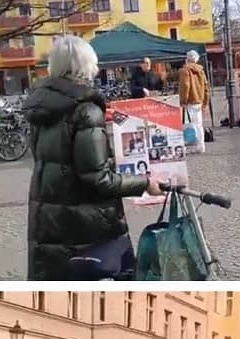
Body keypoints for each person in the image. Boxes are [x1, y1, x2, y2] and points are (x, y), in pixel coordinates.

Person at [23, 36, 161, 280]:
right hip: (86, 227)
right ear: (86, 66)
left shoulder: (42, 108)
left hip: (49, 219)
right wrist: (144, 183)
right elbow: (98, 179)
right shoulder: (85, 110)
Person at [178, 50, 209, 154]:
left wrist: (183, 101)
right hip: (199, 101)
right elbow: (206, 87)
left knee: (188, 125)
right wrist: (205, 102)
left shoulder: (185, 70)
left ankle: (190, 147)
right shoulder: (201, 71)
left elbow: (185, 86)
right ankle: (201, 146)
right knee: (199, 125)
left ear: (187, 58)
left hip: (190, 101)